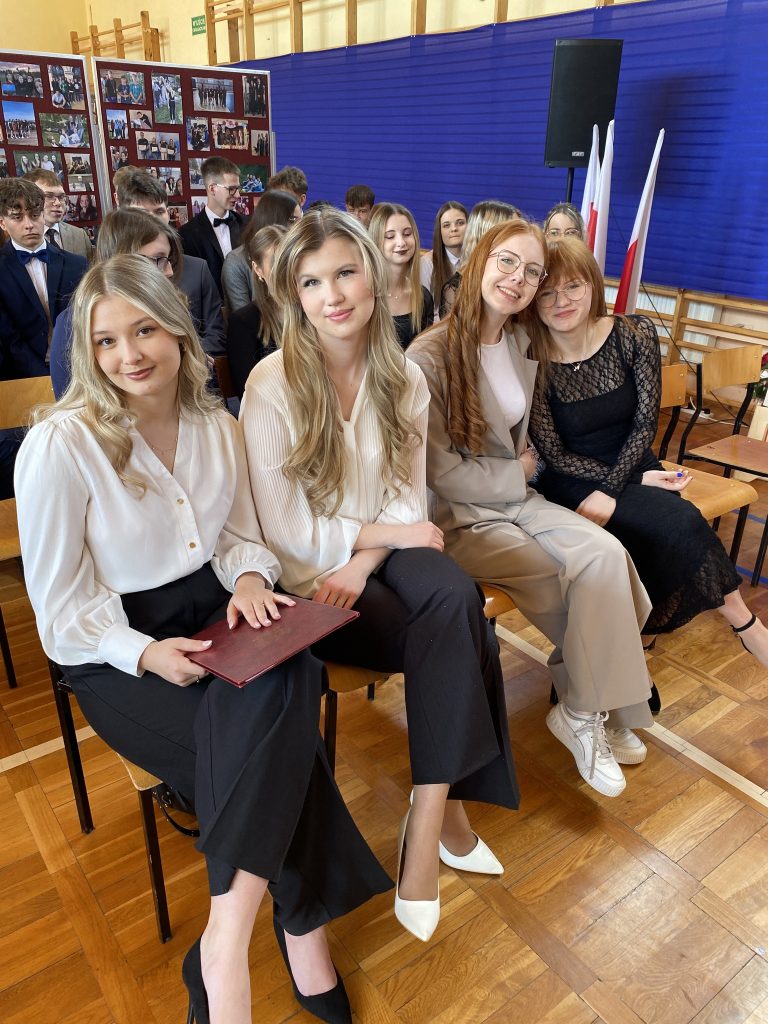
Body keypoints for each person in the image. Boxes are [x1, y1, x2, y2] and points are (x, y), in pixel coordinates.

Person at [15, 256, 391, 1024]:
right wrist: (144, 652)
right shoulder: (60, 445)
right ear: (86, 350)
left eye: (145, 330)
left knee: (291, 670)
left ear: (178, 330)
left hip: (215, 610)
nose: (129, 355)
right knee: (279, 747)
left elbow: (238, 537)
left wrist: (250, 577)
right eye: (106, 340)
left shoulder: (216, 426)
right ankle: (302, 930)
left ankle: (223, 945)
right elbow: (58, 612)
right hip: (115, 647)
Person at [241, 209, 518, 945]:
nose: (332, 295)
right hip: (310, 582)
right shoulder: (271, 383)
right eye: (311, 282)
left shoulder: (402, 376)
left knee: (454, 596)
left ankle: (424, 821)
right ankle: (449, 816)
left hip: (372, 561)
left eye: (344, 272)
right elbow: (288, 533)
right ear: (293, 295)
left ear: (373, 274)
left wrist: (368, 558)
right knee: (463, 626)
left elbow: (404, 496)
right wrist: (384, 540)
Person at [408, 219, 654, 800]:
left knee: (607, 556)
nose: (519, 279)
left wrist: (624, 472)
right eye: (508, 262)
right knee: (565, 573)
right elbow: (438, 472)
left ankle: (581, 707)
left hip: (519, 500)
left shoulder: (521, 340)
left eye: (532, 271)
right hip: (460, 517)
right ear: (478, 261)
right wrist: (517, 473)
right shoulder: (429, 355)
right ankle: (598, 705)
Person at [526, 237, 768, 665]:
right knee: (675, 520)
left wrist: (629, 478)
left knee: (661, 524)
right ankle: (747, 628)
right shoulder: (531, 356)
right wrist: (630, 483)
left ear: (592, 285)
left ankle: (659, 636)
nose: (561, 301)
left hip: (633, 460)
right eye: (547, 293)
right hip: (573, 477)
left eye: (573, 286)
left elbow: (644, 424)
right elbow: (555, 453)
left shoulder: (633, 333)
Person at [115, 167, 226, 357]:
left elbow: (216, 334)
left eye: (159, 211)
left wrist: (185, 358)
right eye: (142, 214)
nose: (153, 221)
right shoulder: (111, 277)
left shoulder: (197, 269)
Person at [0, 178, 87, 380]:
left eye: (34, 215)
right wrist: (40, 375)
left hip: (77, 369)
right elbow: (7, 336)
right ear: (3, 222)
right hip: (20, 374)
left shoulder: (76, 264)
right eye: (17, 218)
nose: (29, 225)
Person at [226, 224, 286, 398]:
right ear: (258, 269)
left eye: (289, 259)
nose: (285, 269)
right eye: (275, 262)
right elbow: (248, 392)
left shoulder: (313, 309)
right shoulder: (244, 322)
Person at [221, 189, 301, 313]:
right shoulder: (236, 262)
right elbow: (243, 317)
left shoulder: (301, 254)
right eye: (292, 220)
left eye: (301, 219)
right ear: (273, 221)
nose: (299, 227)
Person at [438, 200, 520, 318]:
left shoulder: (518, 275)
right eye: (513, 232)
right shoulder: (456, 289)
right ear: (488, 235)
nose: (521, 237)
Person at [368, 203, 433, 349]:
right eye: (390, 236)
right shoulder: (365, 295)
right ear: (376, 242)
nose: (401, 242)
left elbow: (425, 352)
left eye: (407, 234)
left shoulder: (423, 297)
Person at [179, 156, 246, 292]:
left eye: (238, 188)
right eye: (231, 189)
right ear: (212, 189)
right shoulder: (187, 234)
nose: (238, 195)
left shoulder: (247, 224)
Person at [22, 169, 92, 260]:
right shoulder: (17, 239)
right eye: (49, 196)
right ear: (28, 199)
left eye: (61, 197)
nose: (58, 203)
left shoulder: (80, 236)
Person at [420, 201, 467, 319]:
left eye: (460, 223)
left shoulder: (475, 259)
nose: (454, 229)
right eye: (446, 225)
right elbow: (425, 312)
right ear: (439, 231)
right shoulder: (427, 263)